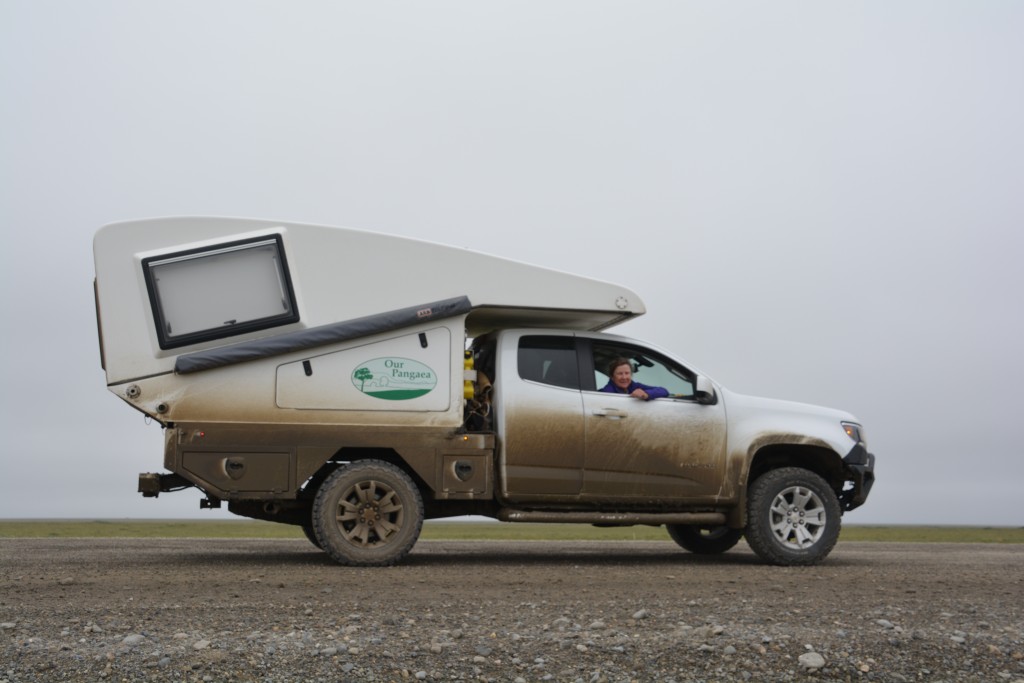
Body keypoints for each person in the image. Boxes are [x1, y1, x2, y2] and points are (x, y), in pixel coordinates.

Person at [599, 357, 668, 400]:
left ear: (631, 374)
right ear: (612, 376)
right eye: (620, 374)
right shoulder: (608, 392)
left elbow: (664, 391)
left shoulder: (634, 386)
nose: (624, 377)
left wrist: (646, 394)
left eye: (627, 373)